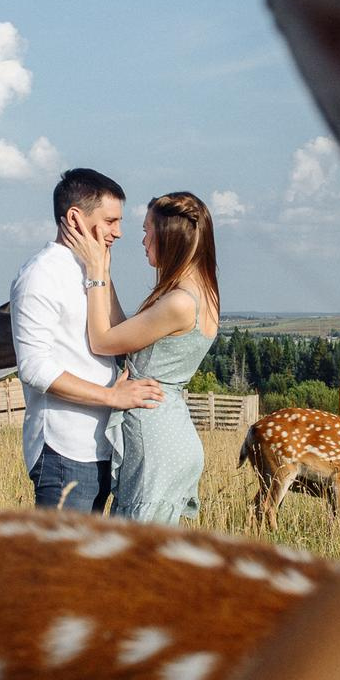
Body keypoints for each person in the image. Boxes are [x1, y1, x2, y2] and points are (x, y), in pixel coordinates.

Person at [9, 168, 163, 511]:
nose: (118, 232)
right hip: (64, 450)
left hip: (102, 446)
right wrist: (111, 397)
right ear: (75, 218)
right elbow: (34, 368)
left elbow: (119, 336)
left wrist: (102, 272)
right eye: (110, 221)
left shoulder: (91, 268)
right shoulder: (40, 275)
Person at [65, 191, 221, 524]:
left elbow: (103, 341)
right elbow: (126, 333)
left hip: (154, 433)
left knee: (136, 547)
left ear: (169, 237)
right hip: (170, 428)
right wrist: (105, 273)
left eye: (148, 230)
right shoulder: (201, 293)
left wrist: (94, 271)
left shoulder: (179, 302)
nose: (143, 240)